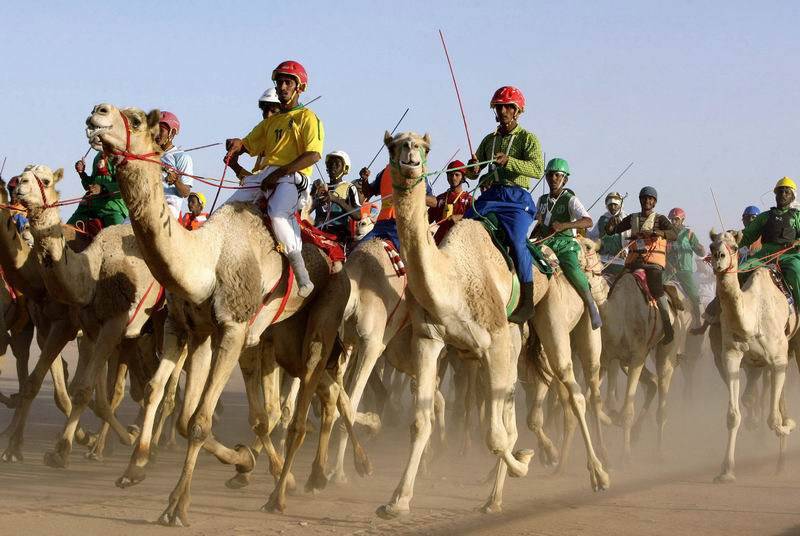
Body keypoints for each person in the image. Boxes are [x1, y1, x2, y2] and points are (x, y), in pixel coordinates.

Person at [224, 60, 324, 297]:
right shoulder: (269, 122)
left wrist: (279, 173)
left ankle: (302, 275)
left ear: (299, 87)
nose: (282, 87)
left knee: (278, 215)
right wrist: (235, 146)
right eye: (279, 82)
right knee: (228, 209)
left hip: (293, 177)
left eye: (288, 82)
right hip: (267, 174)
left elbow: (314, 154)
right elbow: (248, 144)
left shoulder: (307, 118)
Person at [464, 86, 543, 324]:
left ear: (517, 111)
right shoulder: (489, 140)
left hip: (516, 199)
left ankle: (527, 300)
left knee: (518, 241)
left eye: (507, 107)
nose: (502, 111)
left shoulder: (528, 139)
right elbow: (473, 174)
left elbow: (537, 169)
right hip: (491, 196)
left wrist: (509, 161)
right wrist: (472, 169)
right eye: (499, 107)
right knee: (463, 226)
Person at [532, 158, 602, 329]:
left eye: (557, 175)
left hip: (565, 244)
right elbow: (538, 223)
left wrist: (565, 225)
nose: (553, 179)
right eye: (550, 175)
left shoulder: (570, 199)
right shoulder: (541, 200)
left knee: (571, 266)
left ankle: (591, 304)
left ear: (565, 179)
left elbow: (588, 221)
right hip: (545, 243)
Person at [605, 186, 678, 343]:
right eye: (644, 198)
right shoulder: (632, 218)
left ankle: (667, 326)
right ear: (640, 200)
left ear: (654, 202)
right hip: (633, 262)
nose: (647, 201)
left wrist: (659, 233)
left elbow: (674, 234)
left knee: (657, 290)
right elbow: (613, 230)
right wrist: (610, 226)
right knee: (615, 286)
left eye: (650, 199)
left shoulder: (660, 219)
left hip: (652, 264)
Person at [737, 177, 800, 307]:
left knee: (796, 272)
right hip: (765, 255)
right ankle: (734, 308)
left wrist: (797, 242)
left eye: (786, 192)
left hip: (789, 254)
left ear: (792, 197)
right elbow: (747, 236)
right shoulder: (764, 217)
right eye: (779, 192)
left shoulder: (797, 216)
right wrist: (732, 240)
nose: (782, 194)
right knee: (740, 271)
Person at [357, 163, 437, 250]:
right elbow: (368, 192)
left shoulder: (417, 173)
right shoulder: (384, 172)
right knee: (357, 252)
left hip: (404, 226)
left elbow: (433, 202)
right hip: (381, 225)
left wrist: (413, 195)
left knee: (407, 259)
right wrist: (365, 180)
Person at [229, 88, 283, 181]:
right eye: (265, 111)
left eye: (273, 111)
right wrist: (235, 166)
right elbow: (257, 183)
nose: (268, 115)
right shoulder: (263, 138)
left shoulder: (284, 143)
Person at [664, 207, 705, 326]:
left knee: (694, 295)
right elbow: (662, 252)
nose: (673, 222)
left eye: (676, 219)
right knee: (654, 286)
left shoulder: (689, 234)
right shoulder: (666, 235)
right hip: (668, 270)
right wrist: (667, 264)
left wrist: (700, 249)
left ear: (682, 220)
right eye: (671, 219)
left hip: (684, 270)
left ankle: (698, 322)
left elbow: (700, 252)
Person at [67, 152, 128, 230]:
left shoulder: (122, 155)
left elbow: (127, 185)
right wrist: (82, 174)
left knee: (119, 235)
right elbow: (92, 183)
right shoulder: (98, 156)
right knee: (67, 230)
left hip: (112, 208)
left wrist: (103, 188)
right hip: (89, 206)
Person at [312, 150, 361, 245]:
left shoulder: (349, 187)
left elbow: (358, 215)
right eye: (330, 164)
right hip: (316, 234)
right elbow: (304, 212)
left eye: (336, 164)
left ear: (345, 168)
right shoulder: (320, 187)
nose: (332, 166)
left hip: (338, 237)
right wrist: (313, 192)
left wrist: (336, 200)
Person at [158, 111, 194, 219]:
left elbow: (185, 192)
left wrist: (176, 180)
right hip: (145, 203)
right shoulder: (148, 156)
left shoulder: (182, 157)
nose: (156, 134)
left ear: (172, 133)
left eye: (160, 130)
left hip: (167, 207)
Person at [428, 160, 473, 243]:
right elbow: (427, 219)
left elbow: (477, 218)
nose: (453, 177)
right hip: (439, 239)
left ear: (463, 177)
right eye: (450, 174)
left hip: (461, 240)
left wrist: (460, 217)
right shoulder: (440, 198)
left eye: (457, 175)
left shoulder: (469, 200)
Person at [591, 192, 629, 274]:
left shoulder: (626, 218)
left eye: (615, 204)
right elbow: (593, 236)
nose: (613, 207)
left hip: (620, 261)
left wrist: (626, 250)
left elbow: (631, 239)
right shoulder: (602, 219)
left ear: (620, 205)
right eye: (610, 205)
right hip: (602, 260)